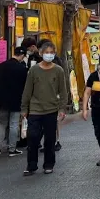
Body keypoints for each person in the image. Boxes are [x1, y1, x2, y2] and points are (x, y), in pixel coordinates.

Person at [21, 42, 67, 175]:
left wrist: (62, 109)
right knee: (33, 138)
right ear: (40, 53)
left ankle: (49, 164)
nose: (49, 55)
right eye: (47, 52)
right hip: (35, 109)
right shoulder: (34, 70)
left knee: (50, 139)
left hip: (51, 109)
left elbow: (63, 91)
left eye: (52, 52)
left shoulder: (59, 70)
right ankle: (31, 165)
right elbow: (27, 90)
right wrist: (24, 108)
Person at [0, 46, 28, 157]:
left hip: (1, 100)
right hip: (16, 100)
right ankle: (12, 149)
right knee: (13, 124)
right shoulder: (22, 69)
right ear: (22, 56)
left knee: (1, 124)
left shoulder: (1, 66)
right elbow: (24, 86)